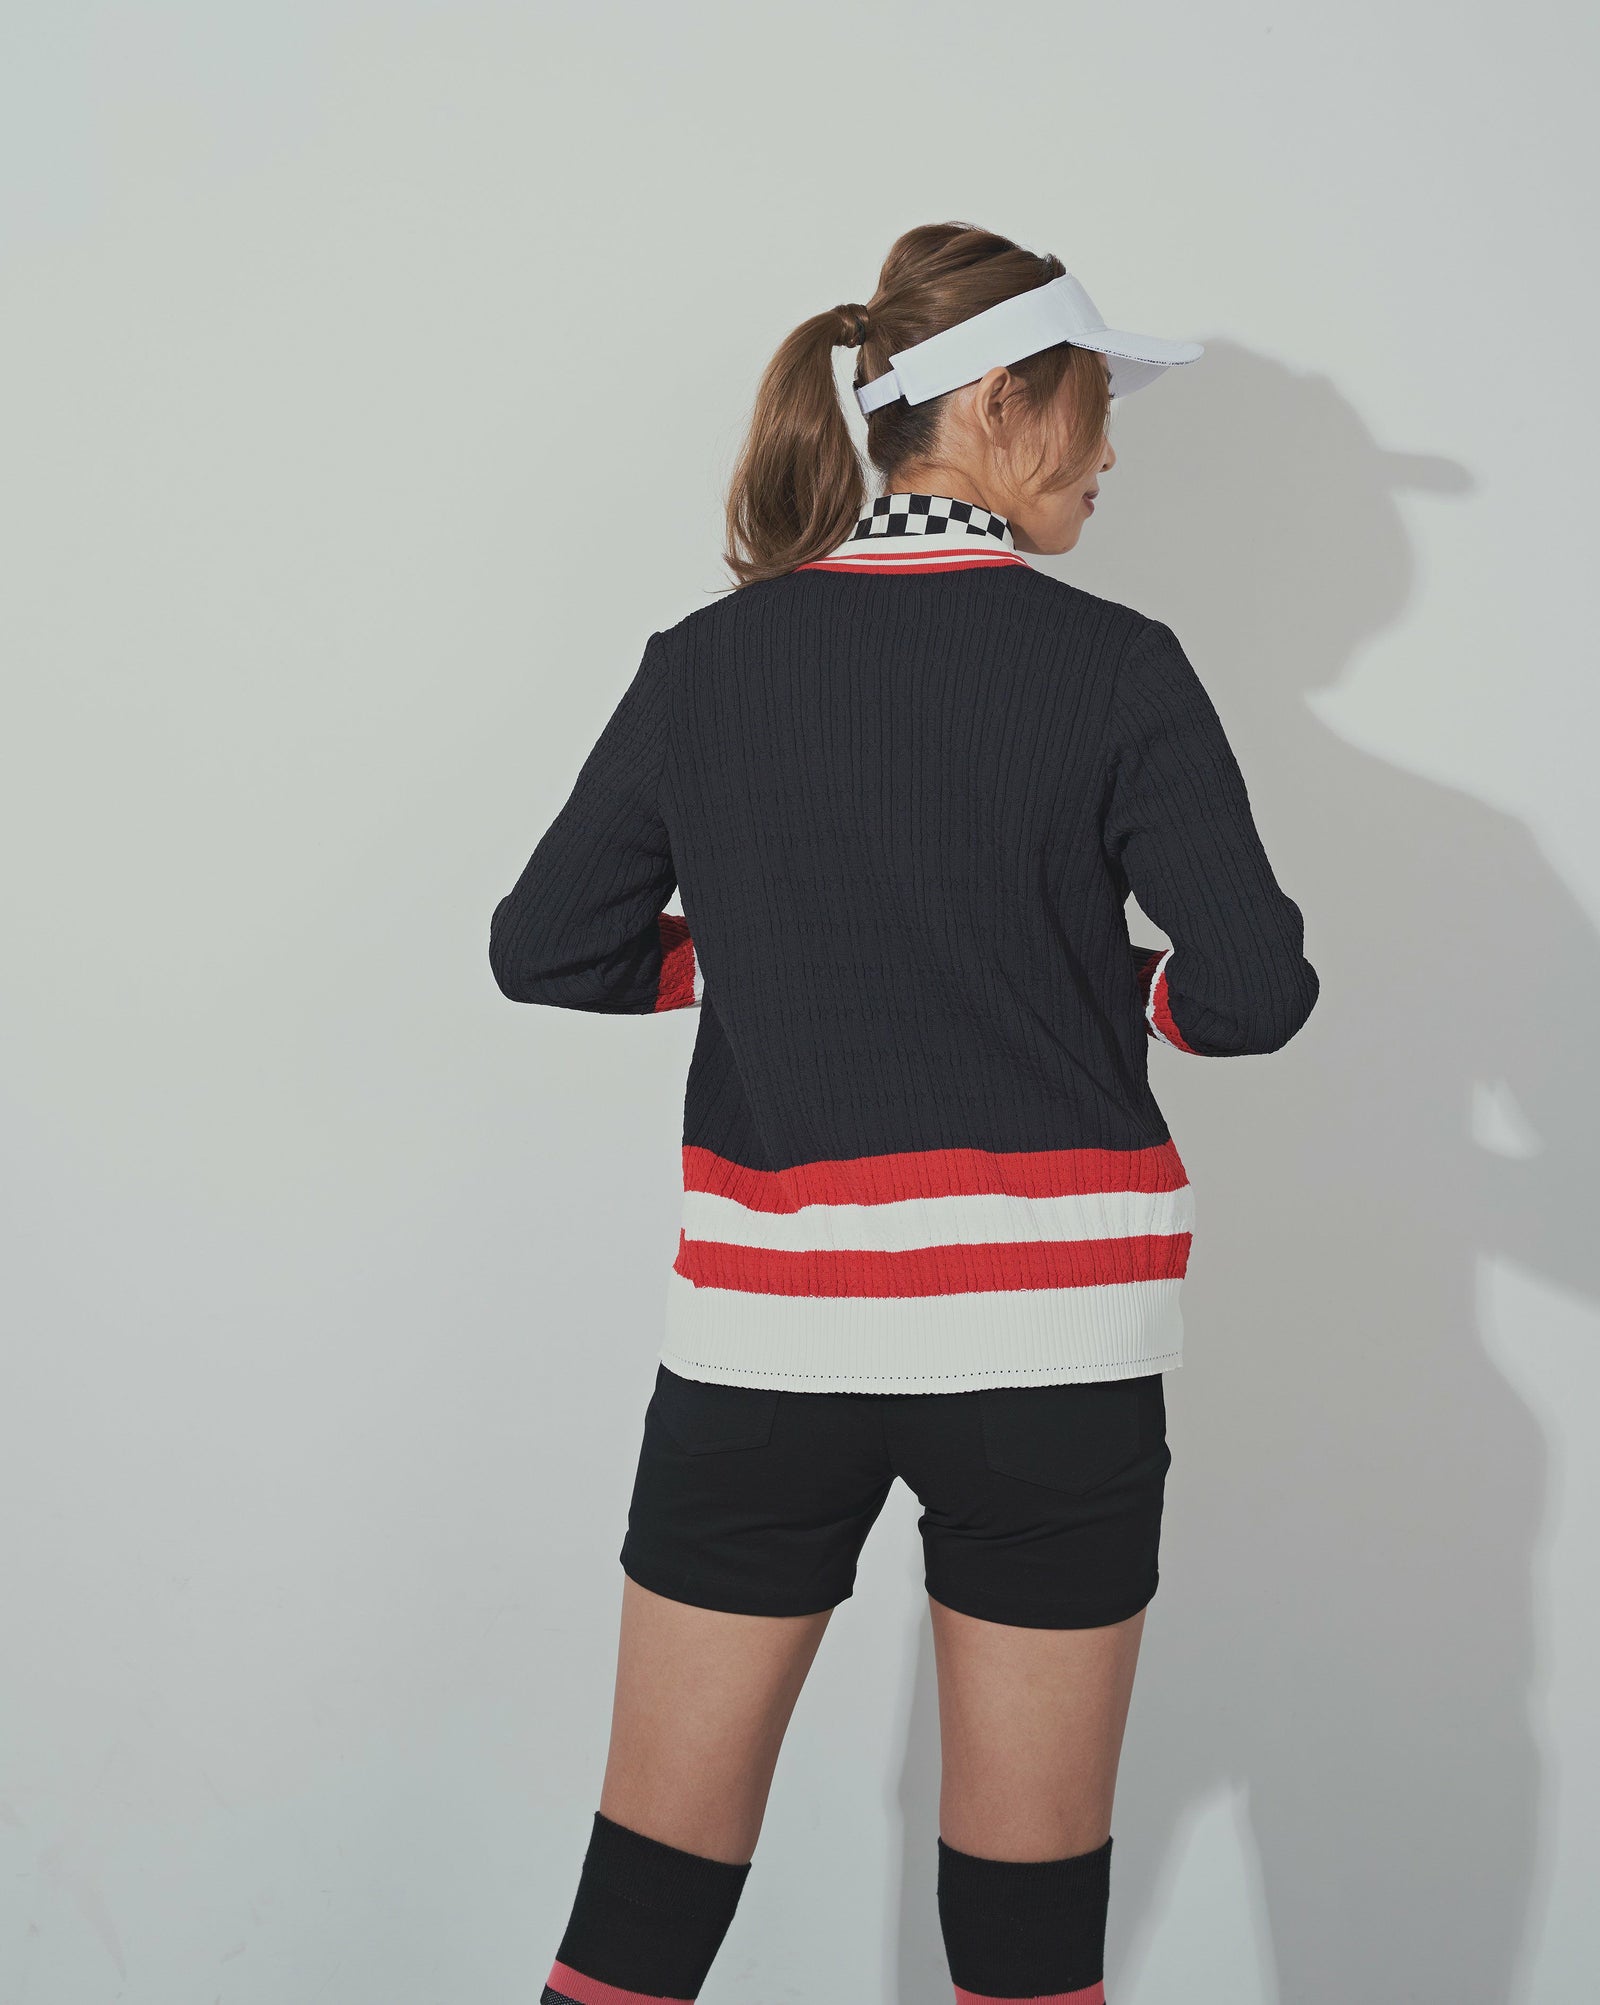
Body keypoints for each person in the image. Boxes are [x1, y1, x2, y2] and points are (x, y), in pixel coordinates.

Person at [489, 220, 1319, 2005]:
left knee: (638, 1918)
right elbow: (1253, 991)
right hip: (1053, 1356)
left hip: (769, 1343)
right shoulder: (1117, 668)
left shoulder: (708, 665)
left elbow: (547, 945)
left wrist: (760, 951)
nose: (1111, 453)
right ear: (1004, 402)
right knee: (1029, 1947)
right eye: (1096, 406)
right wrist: (1113, 985)